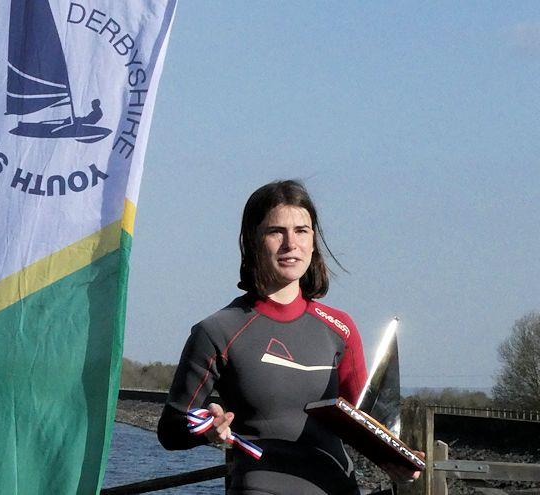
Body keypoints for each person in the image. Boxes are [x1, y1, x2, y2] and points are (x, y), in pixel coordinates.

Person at [157, 180, 413, 494]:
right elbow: (170, 429)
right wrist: (209, 430)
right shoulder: (217, 331)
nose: (291, 243)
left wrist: (403, 460)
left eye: (302, 231)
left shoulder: (340, 329)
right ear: (253, 241)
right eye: (276, 231)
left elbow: (368, 429)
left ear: (314, 241)